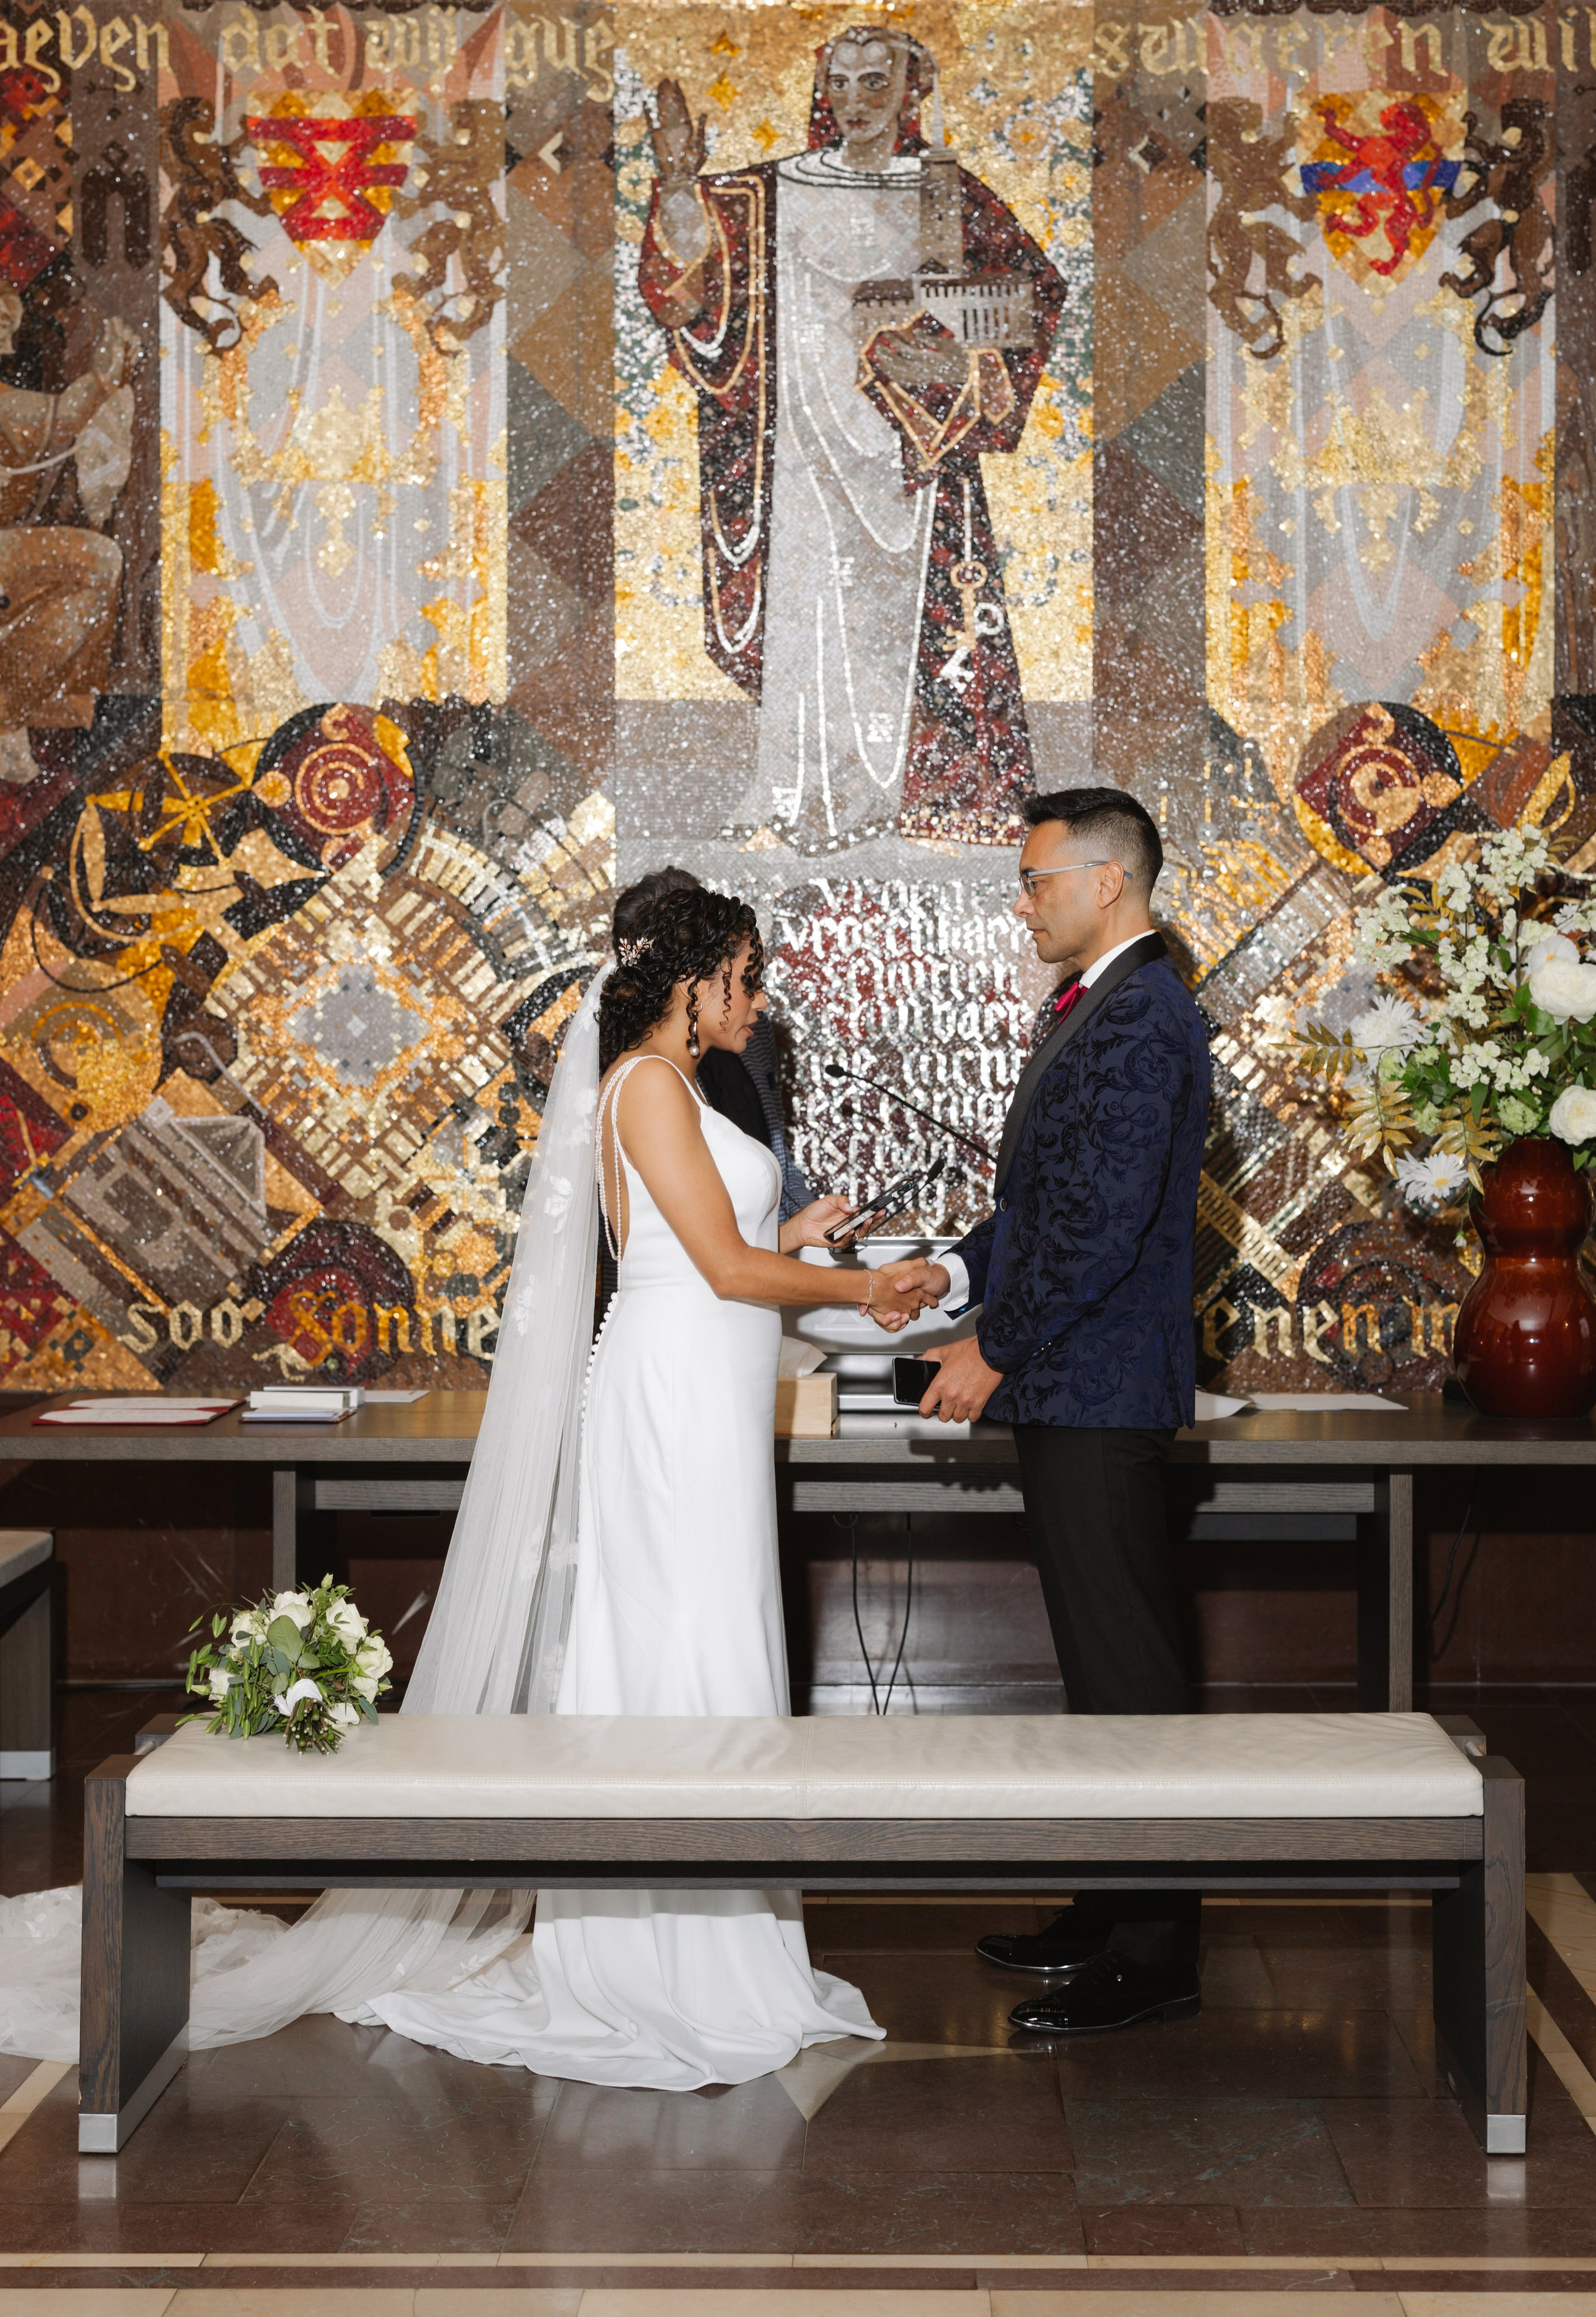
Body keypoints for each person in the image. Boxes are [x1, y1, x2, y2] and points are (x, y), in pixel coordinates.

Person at [0, 895, 934, 2079]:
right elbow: (713, 1266)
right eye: (743, 978)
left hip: (706, 1392)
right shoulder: (648, 1086)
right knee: (684, 1638)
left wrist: (799, 1232)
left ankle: (717, 1938)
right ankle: (663, 1959)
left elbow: (711, 1248)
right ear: (691, 983)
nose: (757, 1001)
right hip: (676, 1403)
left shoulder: (673, 1091)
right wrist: (867, 1288)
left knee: (705, 1634)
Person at [877, 788, 1212, 2036]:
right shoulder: (1099, 1006)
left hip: (1094, 1382)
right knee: (1099, 1665)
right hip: (1075, 1380)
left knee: (1128, 1668)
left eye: (1036, 880)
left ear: (1107, 882)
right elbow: (1039, 1200)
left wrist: (992, 1349)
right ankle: (1112, 1898)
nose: (1023, 902)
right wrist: (952, 1275)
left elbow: (1101, 1225)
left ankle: (1155, 1946)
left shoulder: (1137, 1015)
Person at [638, 27, 1066, 850]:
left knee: (900, 618)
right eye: (843, 82)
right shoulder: (776, 191)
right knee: (812, 611)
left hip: (909, 443)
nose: (859, 100)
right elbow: (694, 290)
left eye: (879, 83)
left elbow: (1029, 300)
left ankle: (908, 791)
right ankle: (797, 789)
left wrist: (952, 351)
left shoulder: (942, 191)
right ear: (821, 91)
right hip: (803, 442)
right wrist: (681, 183)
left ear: (911, 92)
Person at [611, 867, 813, 1218]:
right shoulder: (645, 1077)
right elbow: (724, 1264)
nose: (761, 1002)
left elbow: (775, 1152)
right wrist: (877, 1278)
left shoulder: (752, 1030)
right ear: (690, 976)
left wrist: (809, 1226)